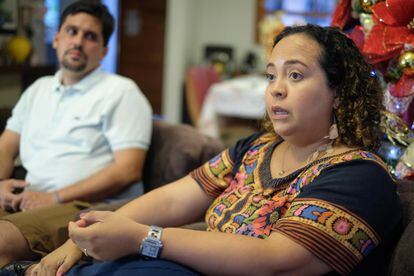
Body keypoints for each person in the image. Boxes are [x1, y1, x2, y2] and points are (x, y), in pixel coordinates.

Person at [31, 24, 401, 276]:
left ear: (337, 92)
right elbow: (176, 199)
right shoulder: (257, 148)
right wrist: (80, 244)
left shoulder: (359, 175)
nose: (275, 89)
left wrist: (144, 238)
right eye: (272, 75)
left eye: (296, 75)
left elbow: (277, 262)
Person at [0, 0, 152, 270]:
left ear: (104, 51)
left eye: (90, 36)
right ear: (57, 39)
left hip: (85, 207)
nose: (78, 41)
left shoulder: (121, 92)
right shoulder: (38, 89)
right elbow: (6, 145)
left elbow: (128, 170)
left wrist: (54, 197)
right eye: (71, 31)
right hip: (28, 197)